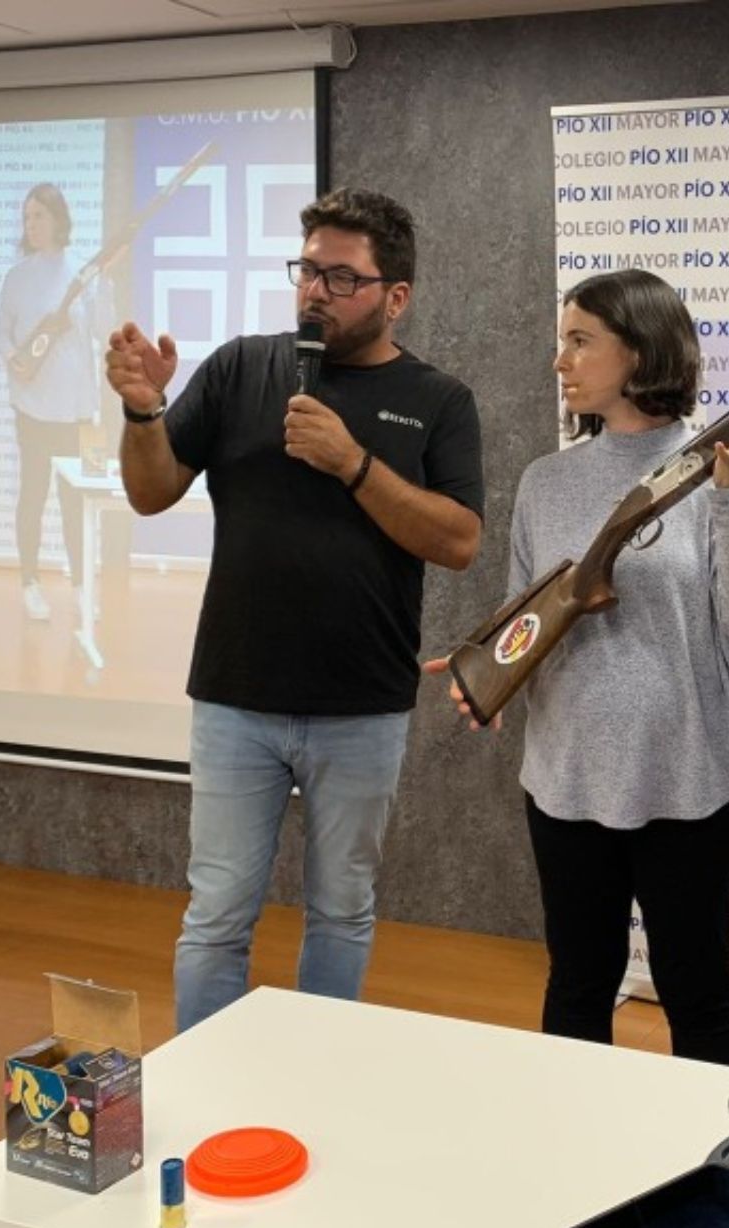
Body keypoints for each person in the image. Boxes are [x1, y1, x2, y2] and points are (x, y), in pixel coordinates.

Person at [105, 188, 484, 1032]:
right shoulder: (243, 367)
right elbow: (151, 491)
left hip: (361, 706)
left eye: (341, 277)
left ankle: (318, 1079)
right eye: (307, 270)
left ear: (396, 296)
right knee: (215, 919)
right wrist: (143, 411)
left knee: (342, 911)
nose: (315, 291)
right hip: (237, 698)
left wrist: (353, 464)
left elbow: (459, 540)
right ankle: (210, 1094)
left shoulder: (437, 399)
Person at [428, 269, 729, 1067]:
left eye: (580, 340)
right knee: (579, 983)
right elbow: (535, 616)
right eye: (564, 340)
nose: (561, 359)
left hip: (690, 780)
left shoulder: (710, 470)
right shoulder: (545, 481)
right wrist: (485, 670)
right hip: (568, 780)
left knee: (697, 993)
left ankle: (709, 1171)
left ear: (641, 349)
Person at [0, 183, 96, 621]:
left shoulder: (83, 272)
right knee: (32, 495)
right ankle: (30, 582)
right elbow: (2, 333)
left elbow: (106, 327)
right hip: (31, 407)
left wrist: (106, 284)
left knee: (75, 502)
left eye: (39, 215)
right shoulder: (17, 276)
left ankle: (80, 586)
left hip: (74, 410)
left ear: (58, 218)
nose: (31, 225)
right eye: (26, 217)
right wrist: (13, 359)